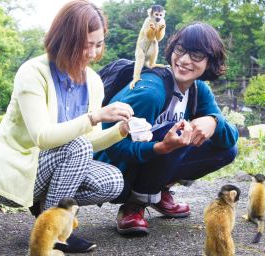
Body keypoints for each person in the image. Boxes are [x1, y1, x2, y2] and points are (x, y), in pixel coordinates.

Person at [0, 0, 133, 252]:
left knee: (112, 181)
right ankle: (53, 231)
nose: (93, 54)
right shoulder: (33, 72)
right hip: (21, 169)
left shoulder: (94, 82)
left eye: (98, 45)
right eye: (87, 46)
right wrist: (94, 116)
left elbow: (91, 140)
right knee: (76, 147)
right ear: (66, 40)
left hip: (58, 166)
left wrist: (120, 131)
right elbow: (42, 137)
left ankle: (45, 207)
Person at [96, 22, 239, 235]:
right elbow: (113, 147)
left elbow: (230, 138)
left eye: (196, 55)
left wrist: (214, 121)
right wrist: (161, 147)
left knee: (226, 149)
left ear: (210, 61)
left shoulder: (198, 89)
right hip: (115, 170)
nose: (184, 60)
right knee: (179, 133)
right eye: (180, 50)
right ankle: (134, 204)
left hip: (149, 158)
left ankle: (157, 190)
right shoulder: (151, 92)